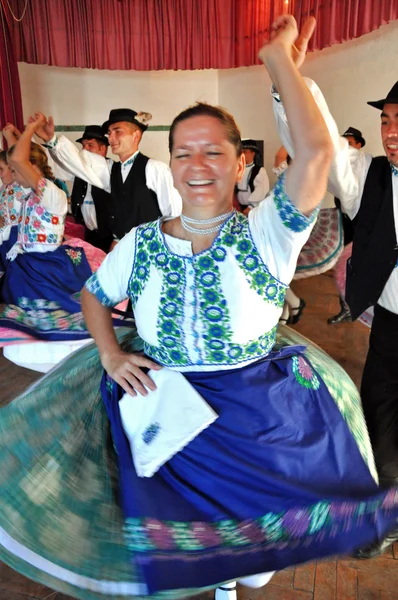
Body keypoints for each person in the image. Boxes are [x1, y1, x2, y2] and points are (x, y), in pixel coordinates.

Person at [2, 15, 398, 600]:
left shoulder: (268, 231)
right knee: (185, 545)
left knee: (257, 561)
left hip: (253, 412)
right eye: (183, 152)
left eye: (214, 150)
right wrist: (110, 354)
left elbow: (316, 154)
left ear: (240, 163)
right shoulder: (140, 243)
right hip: (167, 407)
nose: (197, 163)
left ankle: (236, 579)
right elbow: (94, 293)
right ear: (173, 164)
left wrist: (280, 61)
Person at [272, 57, 398, 558]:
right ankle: (384, 513)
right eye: (386, 120)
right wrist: (288, 82)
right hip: (389, 322)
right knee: (380, 412)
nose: (390, 132)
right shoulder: (366, 174)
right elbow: (316, 143)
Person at [0, 115, 95, 341]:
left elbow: (20, 160)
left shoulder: (51, 194)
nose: (12, 177)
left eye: (15, 171)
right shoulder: (27, 193)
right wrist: (12, 138)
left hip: (45, 264)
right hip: (27, 262)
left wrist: (30, 129)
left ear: (31, 168)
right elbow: (18, 160)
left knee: (46, 316)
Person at [34, 108, 182, 242]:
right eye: (110, 132)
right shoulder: (111, 170)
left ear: (135, 136)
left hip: (152, 248)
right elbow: (80, 162)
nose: (111, 138)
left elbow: (174, 214)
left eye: (118, 131)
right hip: (123, 248)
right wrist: (51, 140)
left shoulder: (156, 169)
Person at [328, 127, 368, 324]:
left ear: (359, 145)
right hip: (344, 221)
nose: (347, 147)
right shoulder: (341, 167)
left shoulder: (367, 169)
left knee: (359, 266)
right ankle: (345, 307)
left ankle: (361, 307)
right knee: (342, 266)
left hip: (362, 223)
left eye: (350, 143)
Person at [68, 125, 114, 252]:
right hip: (86, 233)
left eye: (90, 145)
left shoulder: (114, 170)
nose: (84, 151)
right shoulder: (79, 170)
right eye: (83, 146)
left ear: (103, 148)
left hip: (110, 237)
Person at [235, 138, 269, 211]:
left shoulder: (259, 171)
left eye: (244, 152)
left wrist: (251, 206)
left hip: (252, 209)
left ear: (252, 153)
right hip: (237, 207)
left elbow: (261, 190)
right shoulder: (236, 169)